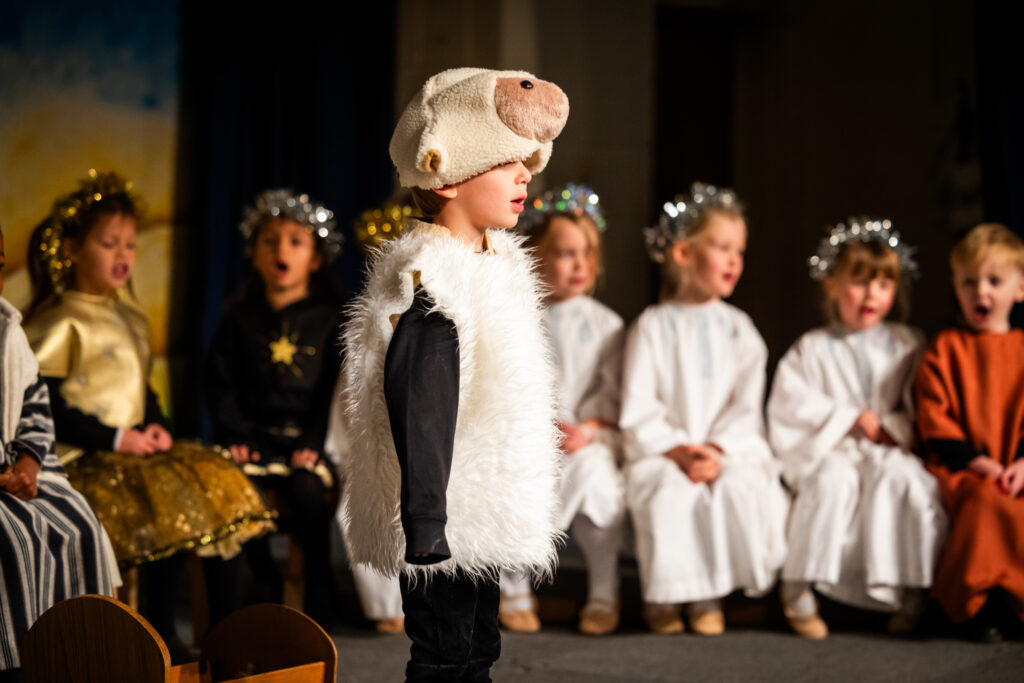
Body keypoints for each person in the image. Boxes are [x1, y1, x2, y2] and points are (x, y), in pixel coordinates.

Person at [340, 68, 569, 681]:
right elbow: (421, 403)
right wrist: (426, 518)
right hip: (444, 507)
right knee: (444, 652)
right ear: (446, 176)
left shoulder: (494, 267)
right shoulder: (432, 283)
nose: (526, 175)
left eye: (528, 162)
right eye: (506, 163)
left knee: (478, 646)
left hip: (481, 500)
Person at [22, 170, 275, 660]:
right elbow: (46, 403)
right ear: (71, 249)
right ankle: (162, 639)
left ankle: (224, 637)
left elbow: (143, 391)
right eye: (109, 243)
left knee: (209, 487)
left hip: (132, 452)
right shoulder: (58, 321)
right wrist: (117, 439)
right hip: (83, 459)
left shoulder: (132, 318)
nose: (123, 256)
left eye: (130, 245)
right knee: (161, 509)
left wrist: (154, 425)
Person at [620, 183, 788, 636]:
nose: (734, 259)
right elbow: (639, 405)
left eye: (740, 251)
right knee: (668, 493)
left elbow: (746, 405)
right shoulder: (652, 326)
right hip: (665, 451)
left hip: (723, 449)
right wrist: (678, 451)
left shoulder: (740, 329)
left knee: (734, 487)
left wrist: (715, 449)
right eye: (721, 247)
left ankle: (707, 595)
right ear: (683, 254)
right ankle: (666, 597)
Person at [767, 218, 946, 638]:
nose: (871, 295)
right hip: (834, 447)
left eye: (883, 285)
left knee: (908, 484)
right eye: (860, 282)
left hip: (888, 447)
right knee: (831, 484)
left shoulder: (908, 343)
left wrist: (892, 426)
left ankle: (908, 590)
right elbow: (791, 404)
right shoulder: (812, 347)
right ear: (830, 285)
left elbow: (919, 403)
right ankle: (798, 587)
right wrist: (846, 418)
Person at [206, 188, 345, 629]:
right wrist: (236, 437)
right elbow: (220, 386)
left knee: (306, 488)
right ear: (253, 253)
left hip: (307, 443)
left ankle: (318, 591)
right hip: (253, 437)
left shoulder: (331, 319)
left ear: (316, 259)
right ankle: (259, 577)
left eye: (295, 241)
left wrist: (313, 442)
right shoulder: (237, 318)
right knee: (232, 485)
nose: (281, 249)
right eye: (270, 240)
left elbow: (334, 392)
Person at [499, 184, 625, 636]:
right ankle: (514, 586)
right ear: (535, 255)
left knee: (596, 482)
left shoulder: (607, 326)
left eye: (587, 253)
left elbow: (613, 395)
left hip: (585, 440)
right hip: (528, 438)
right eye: (566, 253)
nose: (580, 265)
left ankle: (604, 592)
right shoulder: (517, 316)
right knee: (520, 481)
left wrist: (587, 431)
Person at [0, 223, 120, 679]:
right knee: (14, 540)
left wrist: (29, 461)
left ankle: (83, 658)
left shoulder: (6, 330)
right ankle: (18, 661)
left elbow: (32, 399)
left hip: (18, 471)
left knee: (79, 525)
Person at [915, 222, 1024, 642]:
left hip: (1013, 470)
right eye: (969, 281)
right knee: (983, 500)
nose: (981, 292)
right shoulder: (945, 348)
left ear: (1018, 288)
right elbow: (934, 416)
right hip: (965, 470)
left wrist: (1018, 465)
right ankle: (972, 605)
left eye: (994, 281)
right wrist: (979, 463)